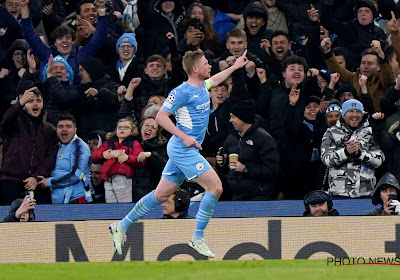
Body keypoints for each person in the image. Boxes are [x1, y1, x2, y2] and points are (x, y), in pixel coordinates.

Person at [109, 48, 249, 258]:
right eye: (205, 64)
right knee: (216, 187)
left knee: (161, 195)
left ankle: (121, 225)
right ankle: (198, 237)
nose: (209, 66)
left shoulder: (203, 86)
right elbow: (161, 117)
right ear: (195, 68)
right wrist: (184, 136)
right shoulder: (181, 91)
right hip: (182, 148)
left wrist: (236, 66)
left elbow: (216, 78)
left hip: (186, 148)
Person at [0, 86, 58, 205]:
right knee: (9, 220)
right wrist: (20, 103)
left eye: (38, 100)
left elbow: (50, 159)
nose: (35, 104)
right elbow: (5, 122)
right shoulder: (14, 122)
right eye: (30, 101)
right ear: (24, 103)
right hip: (11, 181)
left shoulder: (50, 130)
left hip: (37, 184)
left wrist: (35, 177)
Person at [216, 100, 280, 201]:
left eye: (233, 117)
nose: (230, 120)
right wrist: (222, 163)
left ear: (243, 117)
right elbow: (226, 170)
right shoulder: (231, 138)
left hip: (259, 195)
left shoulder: (264, 139)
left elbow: (273, 170)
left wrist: (246, 169)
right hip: (236, 195)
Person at [321, 99, 385, 198]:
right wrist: (345, 152)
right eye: (351, 111)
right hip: (338, 194)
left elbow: (379, 160)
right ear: (343, 114)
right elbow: (326, 159)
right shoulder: (331, 132)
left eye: (358, 111)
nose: (355, 115)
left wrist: (360, 154)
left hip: (366, 194)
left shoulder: (371, 132)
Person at [37, 114, 93, 204]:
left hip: (78, 199)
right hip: (59, 200)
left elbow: (76, 175)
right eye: (60, 126)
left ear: (75, 130)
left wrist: (50, 181)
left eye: (68, 126)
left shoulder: (80, 146)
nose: (64, 129)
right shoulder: (56, 146)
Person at [91, 118, 146, 203]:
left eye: (126, 127)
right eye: (119, 127)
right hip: (108, 178)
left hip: (122, 178)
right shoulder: (110, 142)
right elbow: (94, 155)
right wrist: (105, 153)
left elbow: (141, 160)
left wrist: (127, 158)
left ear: (132, 131)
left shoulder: (134, 143)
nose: (122, 129)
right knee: (110, 205)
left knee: (123, 204)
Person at [132, 117, 168, 202]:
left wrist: (151, 155)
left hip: (149, 193)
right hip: (129, 191)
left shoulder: (162, 146)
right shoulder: (132, 143)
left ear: (157, 132)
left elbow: (164, 166)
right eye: (147, 125)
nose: (149, 128)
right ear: (141, 127)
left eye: (154, 127)